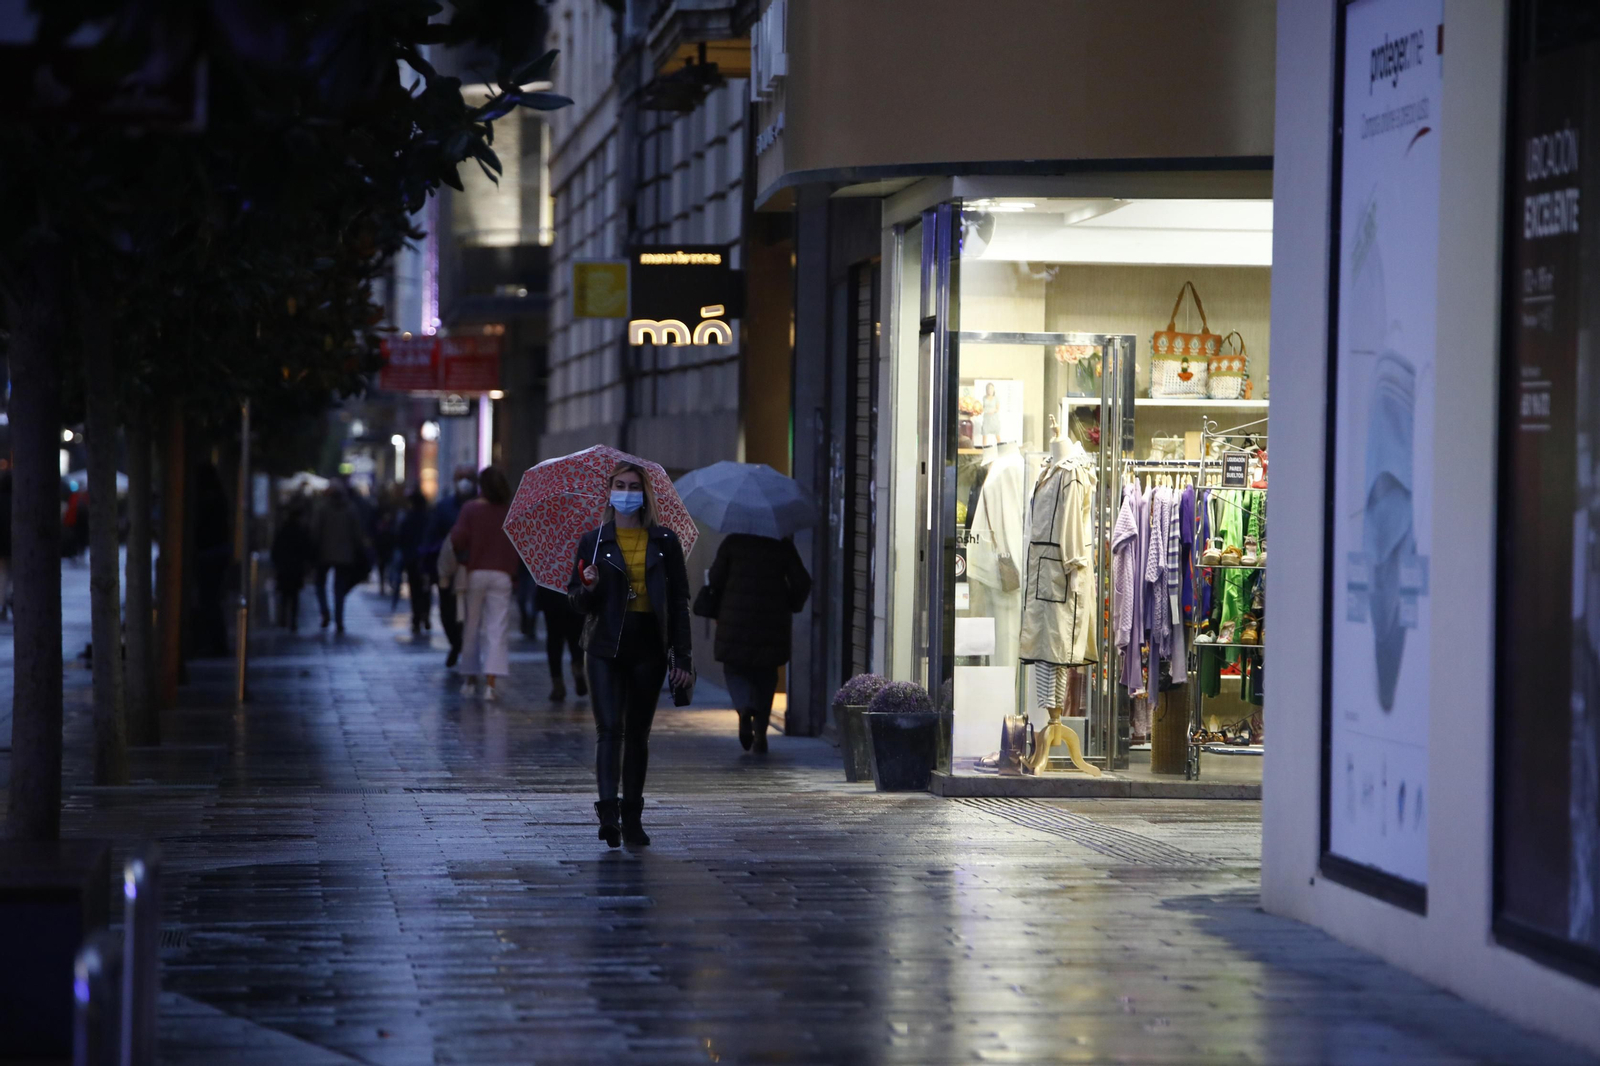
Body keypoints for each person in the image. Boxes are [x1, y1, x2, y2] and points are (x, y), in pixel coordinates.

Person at [569, 463, 693, 848]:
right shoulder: (594, 540)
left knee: (638, 734)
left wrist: (683, 659)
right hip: (605, 644)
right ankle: (608, 813)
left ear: (645, 494)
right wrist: (589, 586)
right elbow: (576, 602)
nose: (626, 492)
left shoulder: (665, 541)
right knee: (609, 730)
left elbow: (677, 602)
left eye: (633, 486)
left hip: (648, 647)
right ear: (609, 492)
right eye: (619, 485)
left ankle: (633, 816)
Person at [704, 533, 812, 753]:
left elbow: (715, 578)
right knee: (766, 675)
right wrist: (791, 603)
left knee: (734, 669)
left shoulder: (732, 542)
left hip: (734, 619)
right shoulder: (781, 546)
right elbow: (802, 581)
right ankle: (761, 732)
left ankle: (744, 709)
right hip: (772, 619)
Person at [450, 467, 520, 699]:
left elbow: (458, 538)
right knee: (497, 628)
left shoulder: (470, 509)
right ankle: (492, 683)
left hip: (476, 573)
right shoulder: (509, 511)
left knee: (472, 626)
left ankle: (470, 678)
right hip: (502, 575)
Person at [425, 465, 477, 668]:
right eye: (460, 477)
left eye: (468, 477)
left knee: (469, 613)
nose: (464, 481)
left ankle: (464, 646)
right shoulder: (444, 506)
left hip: (473, 567)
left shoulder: (481, 505)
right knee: (447, 612)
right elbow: (431, 535)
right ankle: (456, 644)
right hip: (448, 567)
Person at [312, 481, 367, 633]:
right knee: (339, 588)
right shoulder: (350, 509)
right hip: (345, 555)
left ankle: (325, 612)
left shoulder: (322, 508)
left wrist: (314, 549)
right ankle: (339, 619)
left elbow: (315, 531)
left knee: (319, 584)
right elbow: (357, 534)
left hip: (324, 553)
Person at [536, 585, 587, 701]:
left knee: (554, 639)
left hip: (551, 593)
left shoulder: (547, 566)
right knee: (576, 636)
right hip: (576, 592)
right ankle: (577, 668)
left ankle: (557, 682)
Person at [270, 500, 313, 632]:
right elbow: (306, 549)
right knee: (294, 596)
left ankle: (284, 618)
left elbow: (275, 550)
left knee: (285, 594)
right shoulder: (300, 532)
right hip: (295, 568)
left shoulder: (283, 531)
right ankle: (292, 620)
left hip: (285, 567)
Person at [395, 489, 432, 635]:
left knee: (415, 590)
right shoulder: (428, 518)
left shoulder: (408, 518)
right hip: (426, 558)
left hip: (411, 559)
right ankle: (425, 616)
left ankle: (417, 618)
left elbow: (400, 538)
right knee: (426, 589)